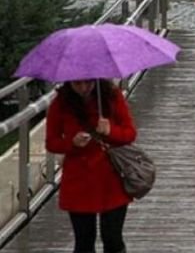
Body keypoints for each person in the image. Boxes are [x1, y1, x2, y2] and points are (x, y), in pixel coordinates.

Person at [46, 79, 137, 253]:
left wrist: (111, 131)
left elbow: (130, 133)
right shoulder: (60, 103)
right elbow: (51, 142)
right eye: (77, 84)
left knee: (112, 238)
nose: (83, 88)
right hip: (79, 180)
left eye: (88, 83)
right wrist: (71, 143)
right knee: (84, 241)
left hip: (111, 178)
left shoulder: (112, 96)